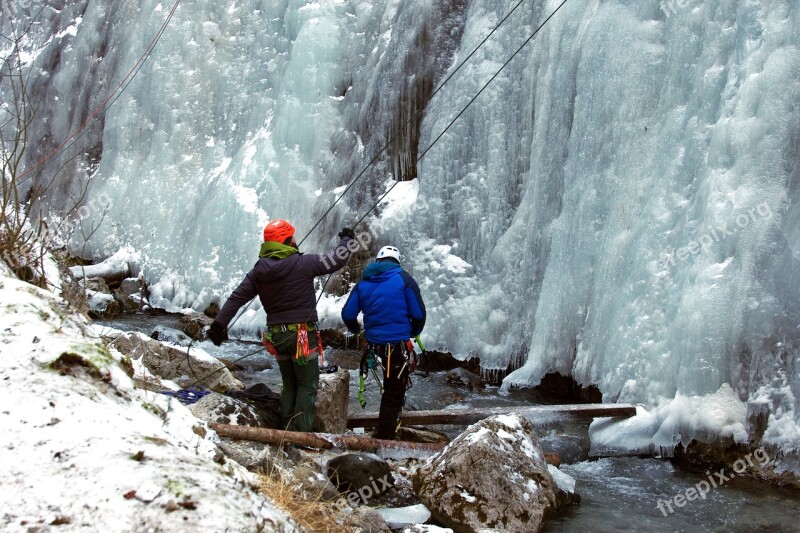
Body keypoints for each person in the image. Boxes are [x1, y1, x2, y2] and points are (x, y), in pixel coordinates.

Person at [207, 219, 355, 432]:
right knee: (306, 385)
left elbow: (237, 298)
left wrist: (218, 325)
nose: (296, 239)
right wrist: (347, 240)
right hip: (302, 336)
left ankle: (285, 430)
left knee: (289, 384)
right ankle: (300, 435)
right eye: (292, 236)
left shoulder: (259, 271)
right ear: (286, 240)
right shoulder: (303, 263)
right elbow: (336, 260)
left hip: (277, 337)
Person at [341, 245, 426, 439]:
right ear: (396, 262)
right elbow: (418, 315)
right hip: (397, 345)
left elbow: (347, 314)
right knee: (393, 392)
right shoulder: (405, 280)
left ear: (378, 261)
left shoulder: (363, 282)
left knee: (390, 388)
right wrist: (413, 332)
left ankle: (386, 428)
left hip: (375, 345)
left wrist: (356, 330)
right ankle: (385, 437)